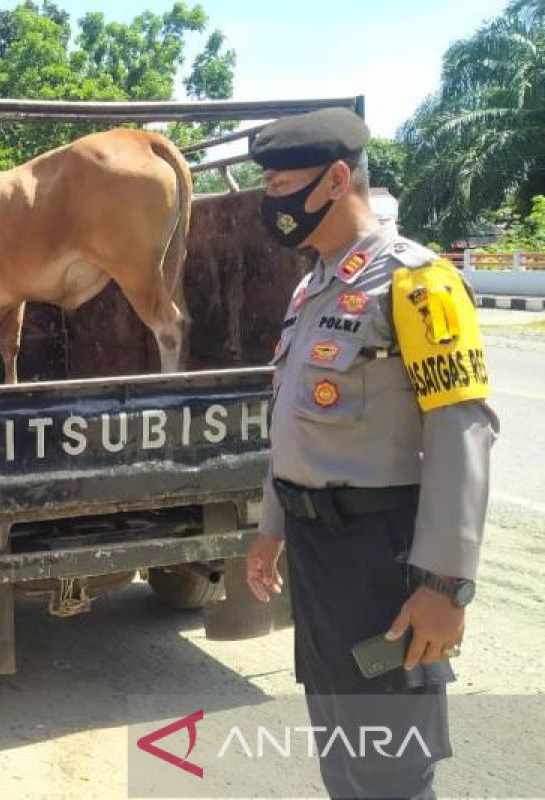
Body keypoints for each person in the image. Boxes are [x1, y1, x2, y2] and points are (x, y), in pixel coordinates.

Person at [243, 107, 499, 799]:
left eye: (279, 184)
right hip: (318, 556)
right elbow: (291, 426)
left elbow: (461, 434)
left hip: (381, 558)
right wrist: (270, 530)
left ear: (334, 180)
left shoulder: (417, 283)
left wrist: (446, 586)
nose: (270, 201)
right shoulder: (312, 286)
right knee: (341, 747)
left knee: (391, 766)